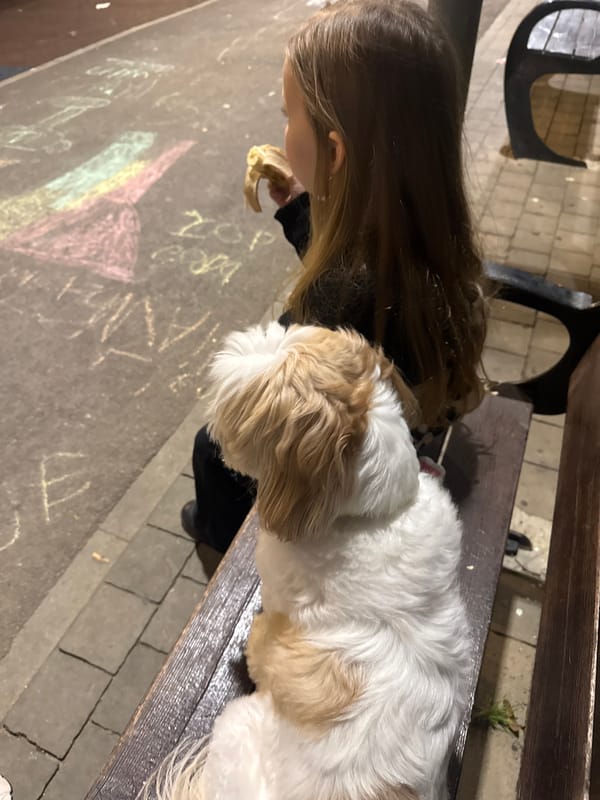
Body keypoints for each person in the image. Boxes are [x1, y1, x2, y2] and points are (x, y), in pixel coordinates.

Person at [181, 0, 487, 552]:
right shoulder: (421, 232)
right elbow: (357, 274)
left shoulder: (338, 296)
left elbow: (310, 412)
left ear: (334, 149)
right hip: (413, 414)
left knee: (212, 447)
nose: (281, 129)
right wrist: (300, 210)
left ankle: (221, 538)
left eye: (288, 114)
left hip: (351, 460)